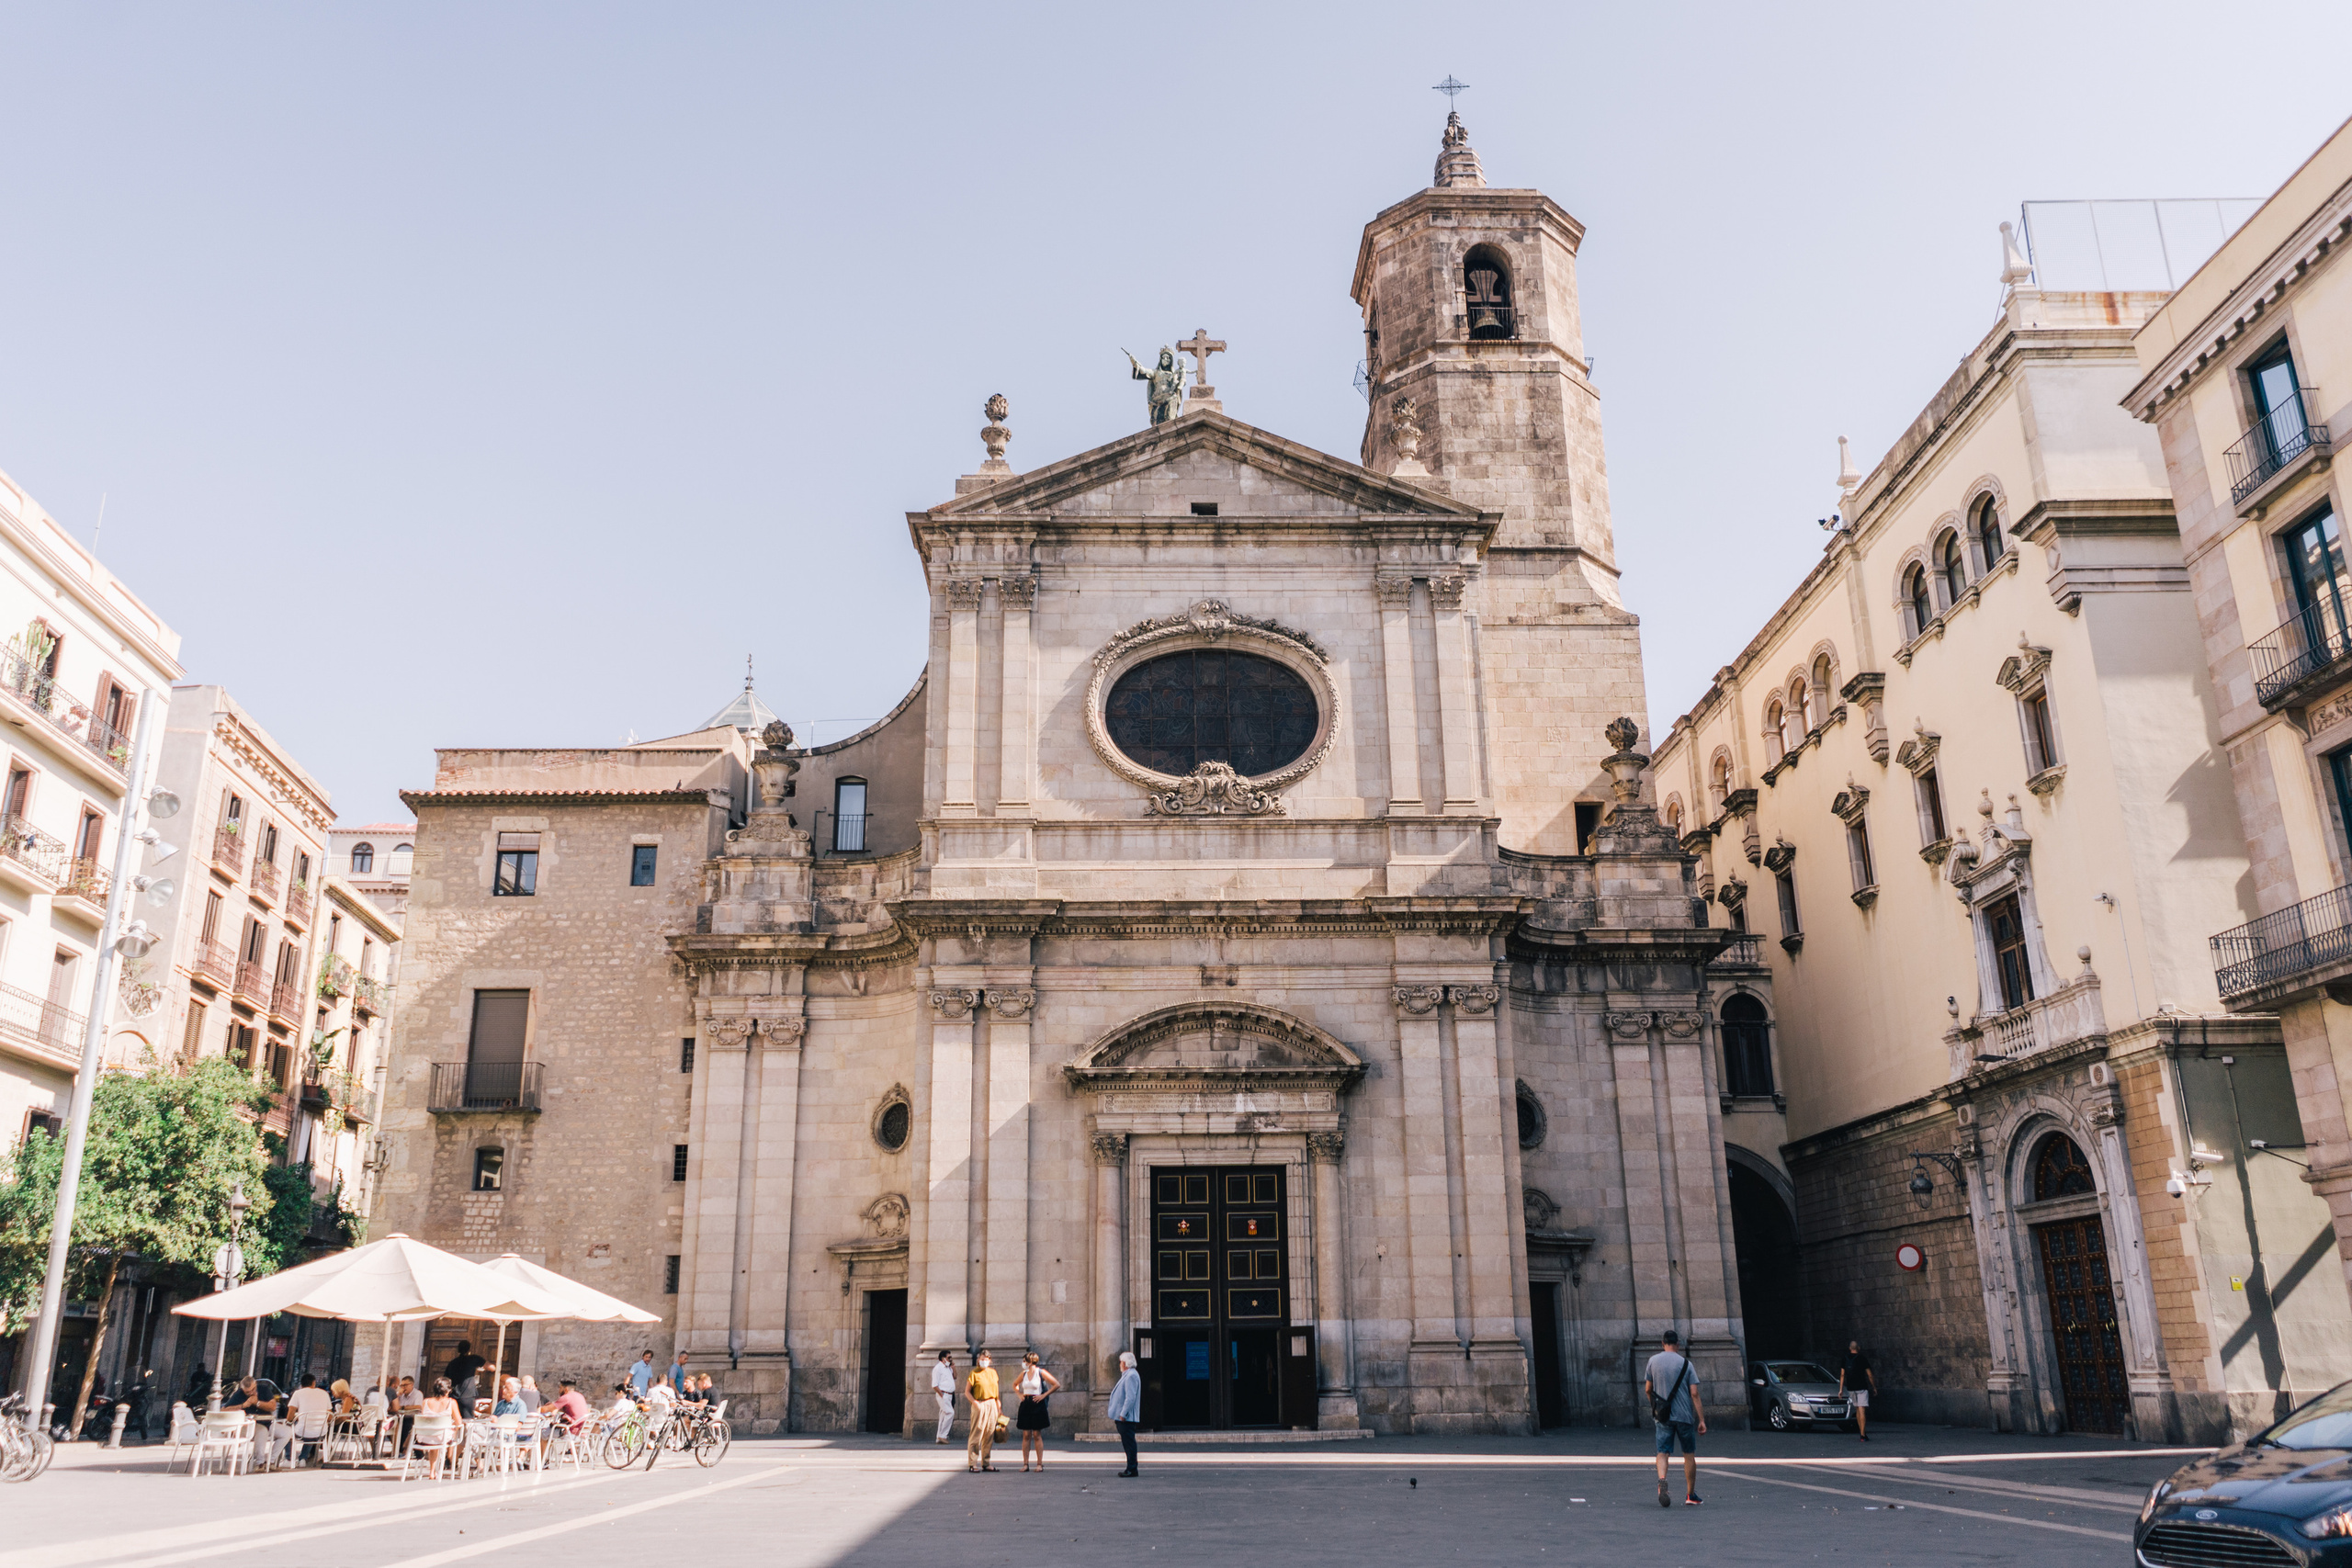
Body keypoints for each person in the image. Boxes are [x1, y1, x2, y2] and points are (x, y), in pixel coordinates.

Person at [1644, 1329, 1707, 1508]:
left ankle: (1662, 1481)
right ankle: (1690, 1494)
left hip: (1663, 1416)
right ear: (1678, 1344)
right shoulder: (1686, 1364)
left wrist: (1655, 1407)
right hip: (1684, 1416)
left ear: (1662, 1344)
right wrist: (1701, 1420)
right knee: (1688, 1454)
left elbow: (1648, 1389)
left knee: (1663, 1452)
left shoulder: (1653, 1361)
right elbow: (1694, 1393)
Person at [1012, 1351, 1061, 1472]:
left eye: (1024, 1361)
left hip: (1037, 1402)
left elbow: (1056, 1384)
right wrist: (1019, 1394)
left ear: (1030, 1362)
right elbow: (1015, 1384)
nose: (1023, 1363)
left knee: (1036, 1434)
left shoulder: (1040, 1372)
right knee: (1026, 1434)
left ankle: (1039, 1463)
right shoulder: (1024, 1374)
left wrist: (1044, 1395)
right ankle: (1025, 1463)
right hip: (1026, 1403)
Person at [281, 1372, 333, 1467]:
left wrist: (296, 1418)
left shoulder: (298, 1393)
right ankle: (303, 1459)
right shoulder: (324, 1393)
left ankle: (289, 1458)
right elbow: (330, 1416)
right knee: (311, 1429)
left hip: (303, 1431)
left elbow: (290, 1416)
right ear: (314, 1383)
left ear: (301, 1384)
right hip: (321, 1431)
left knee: (286, 1430)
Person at [965, 1350, 1001, 1472]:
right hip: (979, 1403)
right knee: (977, 1433)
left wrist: (999, 1407)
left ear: (990, 1360)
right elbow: (967, 1391)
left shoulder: (993, 1373)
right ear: (978, 1359)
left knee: (989, 1434)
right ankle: (973, 1463)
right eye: (982, 1358)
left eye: (986, 1359)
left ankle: (986, 1463)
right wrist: (975, 1403)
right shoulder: (974, 1373)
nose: (984, 1361)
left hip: (992, 1403)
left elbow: (996, 1393)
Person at [416, 1377, 464, 1472]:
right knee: (452, 1432)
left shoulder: (425, 1402)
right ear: (448, 1390)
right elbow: (459, 1422)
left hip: (425, 1437)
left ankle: (432, 1471)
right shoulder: (451, 1402)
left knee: (435, 1435)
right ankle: (451, 1459)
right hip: (442, 1437)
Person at [1107, 1350, 1142, 1478]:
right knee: (1127, 1443)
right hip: (1124, 1417)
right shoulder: (1128, 1375)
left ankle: (1132, 1468)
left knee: (1129, 1443)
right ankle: (1131, 1467)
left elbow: (1130, 1398)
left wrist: (1123, 1414)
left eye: (1121, 1362)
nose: (1119, 1365)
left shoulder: (1131, 1375)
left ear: (1126, 1363)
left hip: (1126, 1418)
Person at [1838, 1340, 1878, 1442]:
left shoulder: (1845, 1359)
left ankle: (1861, 1432)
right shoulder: (1862, 1358)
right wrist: (1874, 1387)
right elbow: (1869, 1374)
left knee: (1857, 1409)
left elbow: (1842, 1375)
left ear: (1849, 1348)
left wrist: (1841, 1389)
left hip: (1851, 1388)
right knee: (1862, 1410)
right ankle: (1862, 1434)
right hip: (1862, 1387)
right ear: (1858, 1348)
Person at [444, 1340, 486, 1411]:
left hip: (454, 1394)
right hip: (468, 1395)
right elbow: (491, 1367)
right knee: (468, 1419)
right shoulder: (473, 1359)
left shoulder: (452, 1363)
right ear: (469, 1350)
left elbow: (446, 1379)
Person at [929, 1351, 957, 1445]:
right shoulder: (938, 1368)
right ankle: (943, 1435)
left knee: (943, 1415)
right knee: (950, 1413)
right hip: (944, 1394)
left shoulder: (948, 1368)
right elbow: (934, 1385)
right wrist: (942, 1395)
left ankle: (939, 1437)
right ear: (943, 1358)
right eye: (949, 1358)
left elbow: (955, 1377)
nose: (950, 1359)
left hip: (950, 1394)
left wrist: (953, 1367)